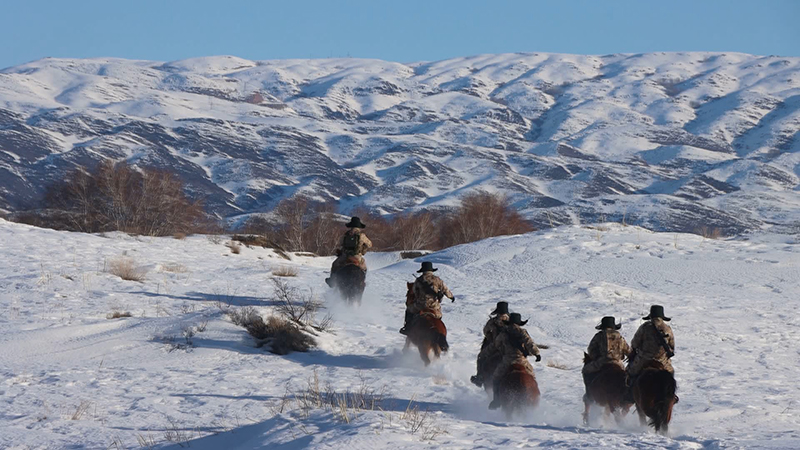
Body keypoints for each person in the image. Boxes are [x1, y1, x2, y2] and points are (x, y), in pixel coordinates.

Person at [489, 313, 541, 409]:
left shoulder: (504, 333)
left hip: (507, 360)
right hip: (522, 361)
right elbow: (529, 343)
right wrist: (537, 353)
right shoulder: (522, 332)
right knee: (532, 376)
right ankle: (535, 396)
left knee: (496, 378)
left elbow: (497, 345)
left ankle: (496, 400)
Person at [625, 305, 675, 401]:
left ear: (651, 316)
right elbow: (672, 346)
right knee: (671, 373)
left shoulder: (644, 327)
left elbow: (635, 343)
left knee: (630, 371)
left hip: (644, 359)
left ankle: (629, 396)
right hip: (663, 361)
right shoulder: (668, 329)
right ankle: (671, 396)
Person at [582, 316, 631, 399]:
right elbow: (627, 350)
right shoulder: (620, 337)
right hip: (618, 363)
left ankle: (589, 395)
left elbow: (591, 349)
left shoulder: (599, 335)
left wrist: (595, 357)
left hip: (602, 362)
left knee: (585, 370)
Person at [400, 261, 454, 335]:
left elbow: (414, 292)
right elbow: (445, 290)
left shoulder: (419, 280)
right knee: (439, 315)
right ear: (431, 270)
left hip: (420, 306)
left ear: (423, 270)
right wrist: (451, 297)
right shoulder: (437, 280)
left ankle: (407, 328)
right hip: (434, 306)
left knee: (409, 310)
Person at [471, 301, 511, 388]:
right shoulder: (512, 321)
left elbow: (485, 331)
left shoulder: (493, 322)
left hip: (495, 346)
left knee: (481, 357)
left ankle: (479, 377)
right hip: (509, 347)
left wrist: (490, 337)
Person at [326, 216, 372, 287]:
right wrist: (363, 248)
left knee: (334, 264)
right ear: (359, 226)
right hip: (357, 256)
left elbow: (340, 243)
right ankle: (362, 282)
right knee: (364, 268)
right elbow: (369, 244)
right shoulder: (362, 235)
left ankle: (332, 281)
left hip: (345, 256)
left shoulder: (346, 234)